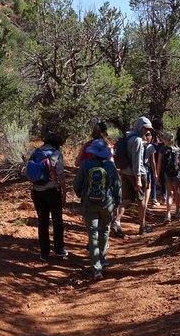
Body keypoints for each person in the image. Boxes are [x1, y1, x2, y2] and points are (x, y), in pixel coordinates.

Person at [72, 138, 121, 281]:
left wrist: (82, 195)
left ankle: (96, 267)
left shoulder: (86, 165)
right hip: (107, 204)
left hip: (89, 205)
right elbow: (117, 186)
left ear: (92, 152)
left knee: (92, 234)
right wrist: (117, 202)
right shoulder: (110, 166)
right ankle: (102, 258)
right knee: (105, 230)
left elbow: (77, 184)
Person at [28, 134, 67, 262]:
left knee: (43, 222)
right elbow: (60, 174)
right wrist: (64, 191)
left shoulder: (35, 153)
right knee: (57, 220)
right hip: (52, 191)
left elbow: (28, 173)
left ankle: (44, 253)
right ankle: (59, 249)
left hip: (36, 192)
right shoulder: (56, 154)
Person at [112, 116, 154, 236]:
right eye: (145, 128)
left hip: (124, 171)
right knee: (141, 200)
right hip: (136, 174)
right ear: (140, 127)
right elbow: (137, 160)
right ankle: (142, 226)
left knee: (126, 200)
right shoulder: (138, 140)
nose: (147, 131)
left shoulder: (127, 135)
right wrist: (139, 179)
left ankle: (117, 220)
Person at [160, 133, 180, 222]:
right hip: (176, 173)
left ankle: (168, 214)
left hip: (167, 173)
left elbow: (159, 163)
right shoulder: (178, 149)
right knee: (177, 192)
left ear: (166, 140)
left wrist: (157, 174)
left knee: (169, 193)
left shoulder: (162, 149)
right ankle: (178, 211)